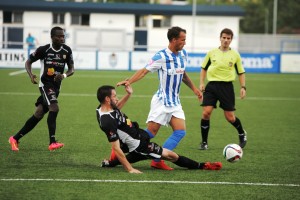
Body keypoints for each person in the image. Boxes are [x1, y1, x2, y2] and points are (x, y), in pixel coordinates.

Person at [117, 26, 202, 170]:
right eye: (183, 40)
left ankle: (157, 160)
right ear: (174, 40)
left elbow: (183, 74)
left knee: (180, 131)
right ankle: (121, 147)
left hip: (175, 102)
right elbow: (144, 71)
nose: (185, 43)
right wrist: (129, 81)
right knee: (150, 133)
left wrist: (195, 90)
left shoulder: (183, 54)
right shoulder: (161, 56)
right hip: (162, 102)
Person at [96, 84, 222, 174]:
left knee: (131, 155)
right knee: (170, 155)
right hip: (139, 147)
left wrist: (129, 94)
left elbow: (116, 108)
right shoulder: (107, 121)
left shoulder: (102, 108)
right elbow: (116, 148)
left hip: (139, 135)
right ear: (107, 99)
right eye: (114, 96)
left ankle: (110, 163)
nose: (117, 98)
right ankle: (202, 165)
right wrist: (130, 170)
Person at [9, 26, 75, 151]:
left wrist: (64, 75)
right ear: (52, 37)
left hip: (56, 88)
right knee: (54, 108)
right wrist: (30, 75)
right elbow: (28, 62)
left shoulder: (67, 50)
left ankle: (15, 138)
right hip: (45, 85)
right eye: (59, 36)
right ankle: (52, 142)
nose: (62, 38)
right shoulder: (44, 50)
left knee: (38, 114)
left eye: (63, 36)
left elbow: (72, 69)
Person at [199, 28, 247, 150]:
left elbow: (241, 72)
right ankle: (204, 143)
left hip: (227, 87)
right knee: (206, 113)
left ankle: (242, 133)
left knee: (230, 117)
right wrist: (202, 83)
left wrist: (243, 87)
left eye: (228, 38)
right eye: (224, 37)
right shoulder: (211, 53)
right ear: (220, 38)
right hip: (212, 86)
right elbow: (203, 68)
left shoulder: (235, 55)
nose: (226, 40)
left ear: (231, 40)